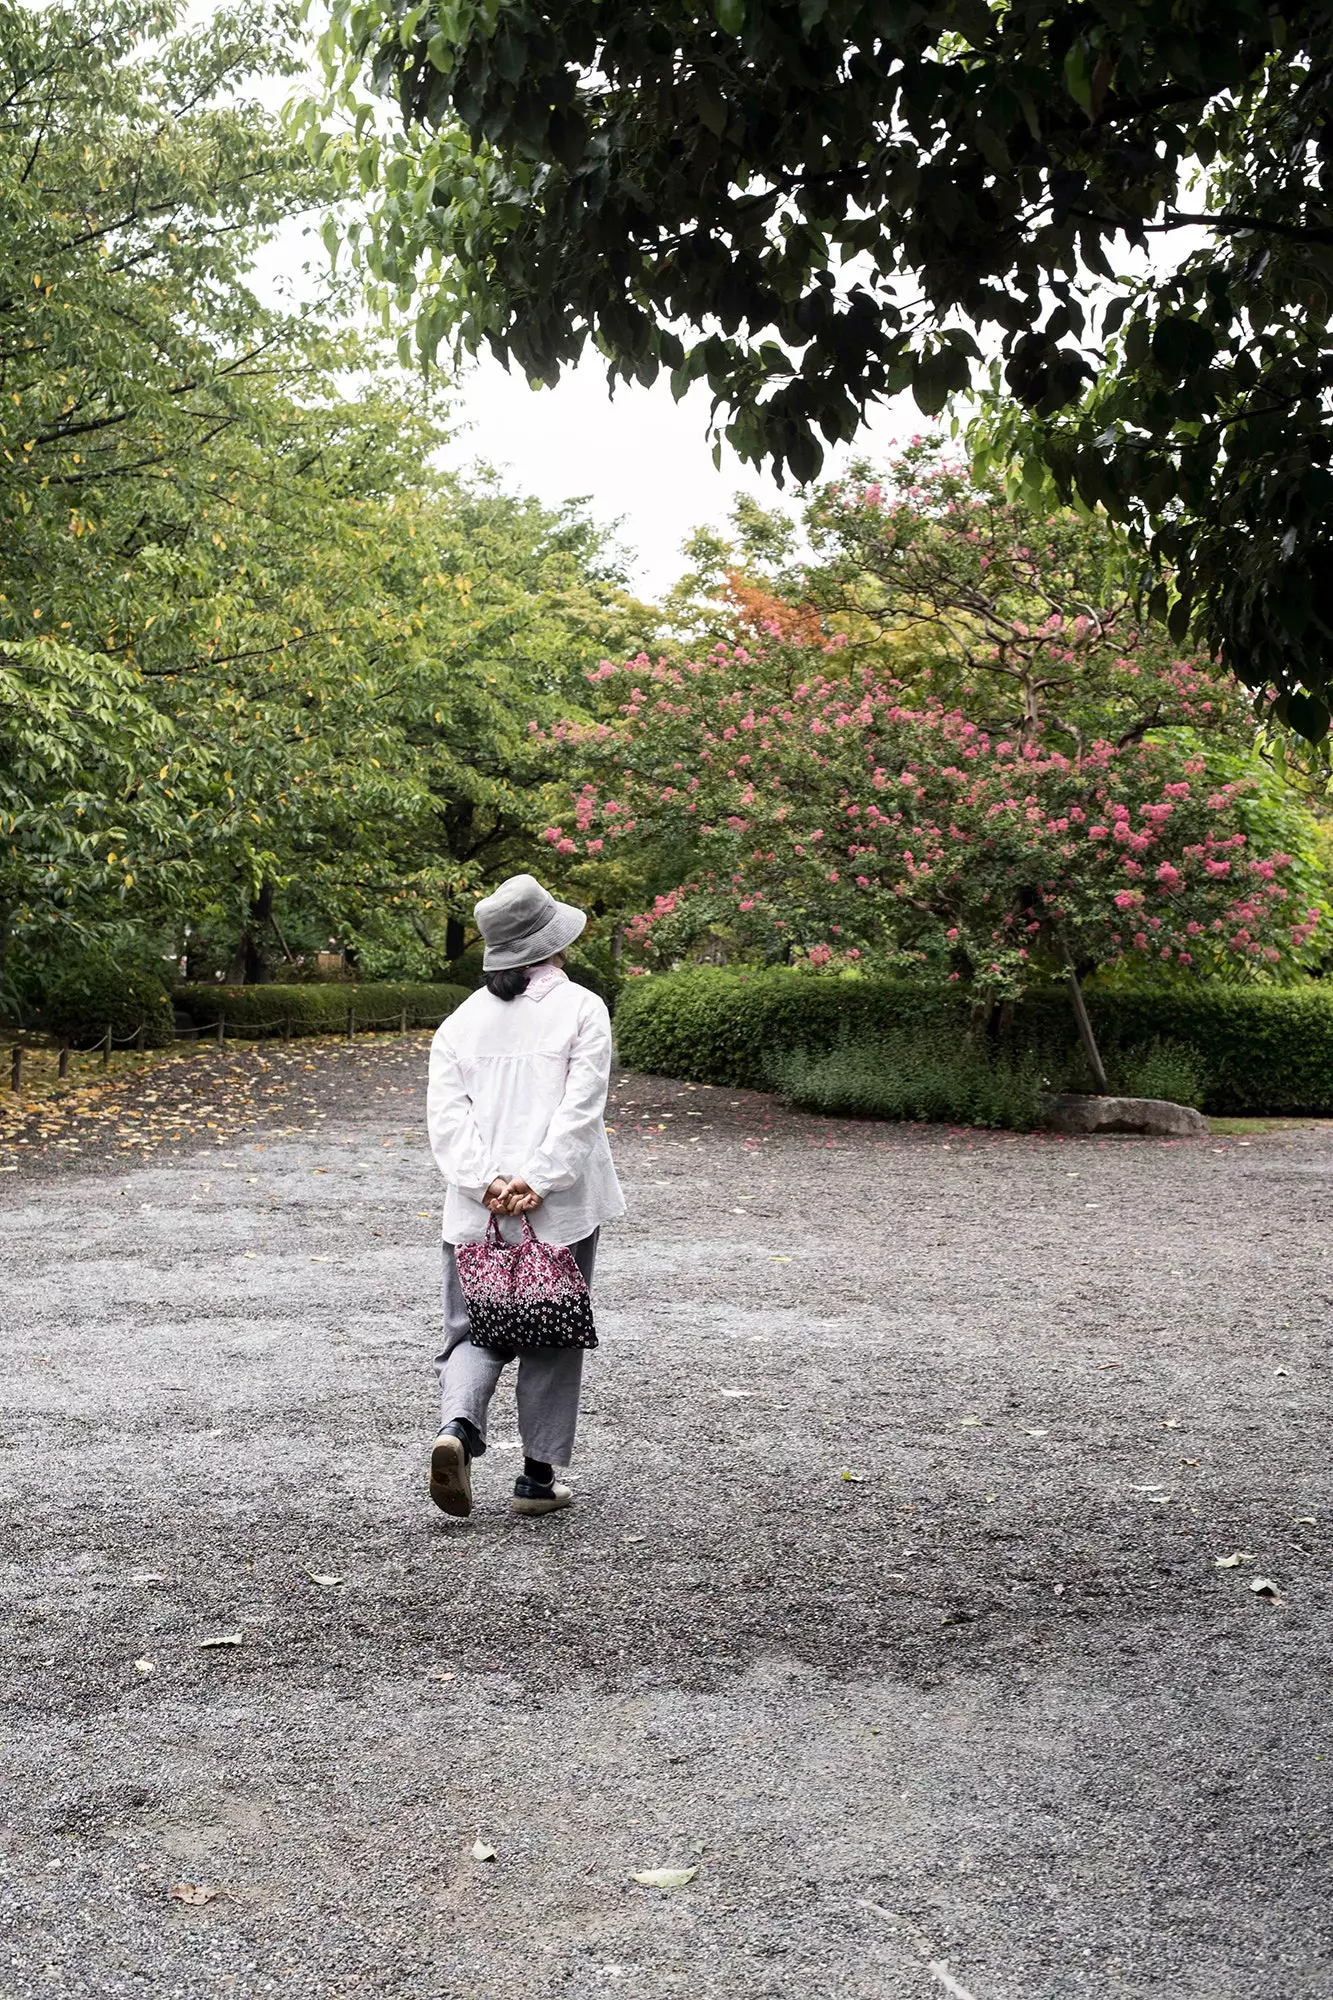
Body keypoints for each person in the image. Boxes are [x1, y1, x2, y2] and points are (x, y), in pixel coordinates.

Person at [425, 873, 625, 1520]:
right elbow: (580, 1110)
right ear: (554, 943)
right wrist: (536, 1181)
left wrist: (488, 1182)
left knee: (471, 1329)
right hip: (559, 1210)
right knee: (550, 1333)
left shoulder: (459, 1024)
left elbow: (446, 1120)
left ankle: (457, 1429)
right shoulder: (582, 1010)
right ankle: (536, 1481)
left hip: (475, 1213)